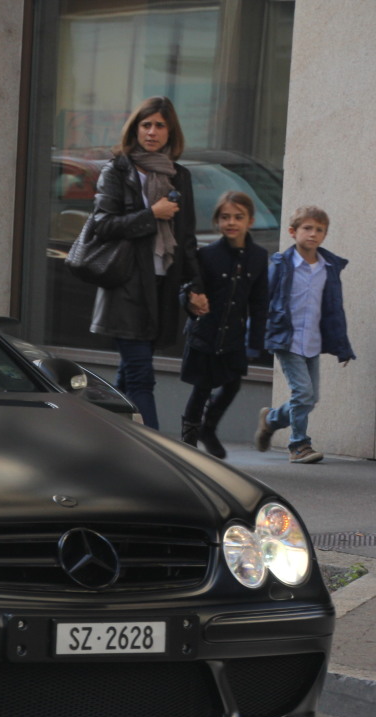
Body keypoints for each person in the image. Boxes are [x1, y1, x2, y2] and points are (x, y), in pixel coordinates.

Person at [87, 96, 204, 429]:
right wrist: (151, 215)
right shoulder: (117, 170)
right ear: (135, 128)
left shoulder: (179, 176)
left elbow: (187, 238)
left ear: (171, 132)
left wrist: (195, 286)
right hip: (125, 285)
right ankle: (159, 452)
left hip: (161, 287)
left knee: (128, 376)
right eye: (146, 124)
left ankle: (102, 434)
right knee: (141, 378)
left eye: (160, 125)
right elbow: (102, 225)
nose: (152, 132)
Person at [254, 206, 355, 463]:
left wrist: (343, 347)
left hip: (312, 340)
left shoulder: (328, 267)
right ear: (293, 232)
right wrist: (252, 336)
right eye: (307, 228)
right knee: (303, 394)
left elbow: (334, 310)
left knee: (311, 398)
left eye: (319, 230)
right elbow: (261, 300)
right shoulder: (281, 264)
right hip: (286, 339)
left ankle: (271, 420)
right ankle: (299, 445)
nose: (313, 234)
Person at [177, 190, 268, 458]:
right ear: (217, 221)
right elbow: (187, 290)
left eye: (238, 217)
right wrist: (191, 301)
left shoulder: (258, 257)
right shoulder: (207, 255)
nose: (231, 222)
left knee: (232, 385)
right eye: (225, 217)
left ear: (250, 221)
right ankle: (189, 443)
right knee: (202, 388)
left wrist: (255, 343)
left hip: (234, 337)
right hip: (206, 333)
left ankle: (208, 428)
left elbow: (260, 303)